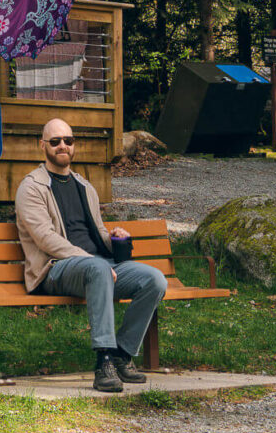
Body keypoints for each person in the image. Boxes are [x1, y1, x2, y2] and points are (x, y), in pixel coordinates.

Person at [14, 118, 168, 393]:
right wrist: (90, 260)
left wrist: (115, 239)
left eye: (68, 141)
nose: (62, 146)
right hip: (56, 269)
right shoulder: (32, 187)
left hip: (98, 266)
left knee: (154, 279)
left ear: (74, 146)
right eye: (55, 141)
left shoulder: (84, 186)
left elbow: (97, 232)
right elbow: (46, 239)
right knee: (97, 268)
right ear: (43, 146)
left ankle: (122, 352)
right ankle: (104, 361)